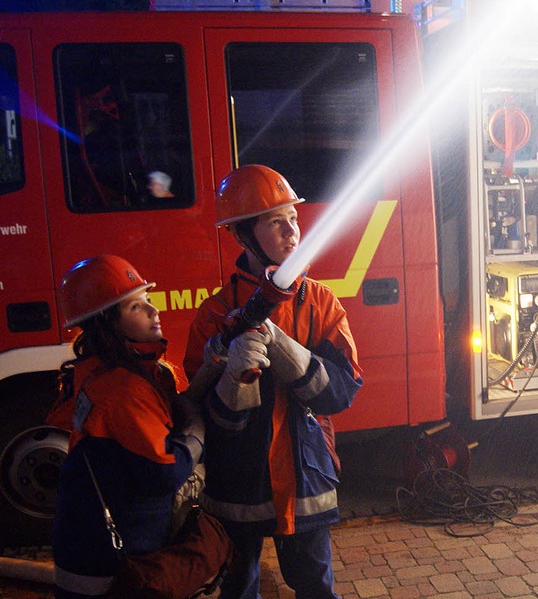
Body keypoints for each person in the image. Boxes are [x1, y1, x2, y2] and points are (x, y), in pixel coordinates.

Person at [184, 164, 363, 599]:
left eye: (294, 219)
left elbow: (343, 390)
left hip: (305, 481)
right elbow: (196, 406)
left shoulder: (319, 302)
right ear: (243, 233)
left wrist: (288, 352)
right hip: (237, 486)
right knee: (239, 590)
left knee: (316, 589)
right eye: (275, 222)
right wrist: (226, 374)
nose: (292, 232)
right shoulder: (214, 314)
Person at [48, 254, 205, 598]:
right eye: (136, 306)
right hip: (111, 565)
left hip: (87, 548)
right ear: (106, 322)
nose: (154, 311)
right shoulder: (123, 390)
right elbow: (164, 473)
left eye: (148, 300)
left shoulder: (98, 372)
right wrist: (195, 434)